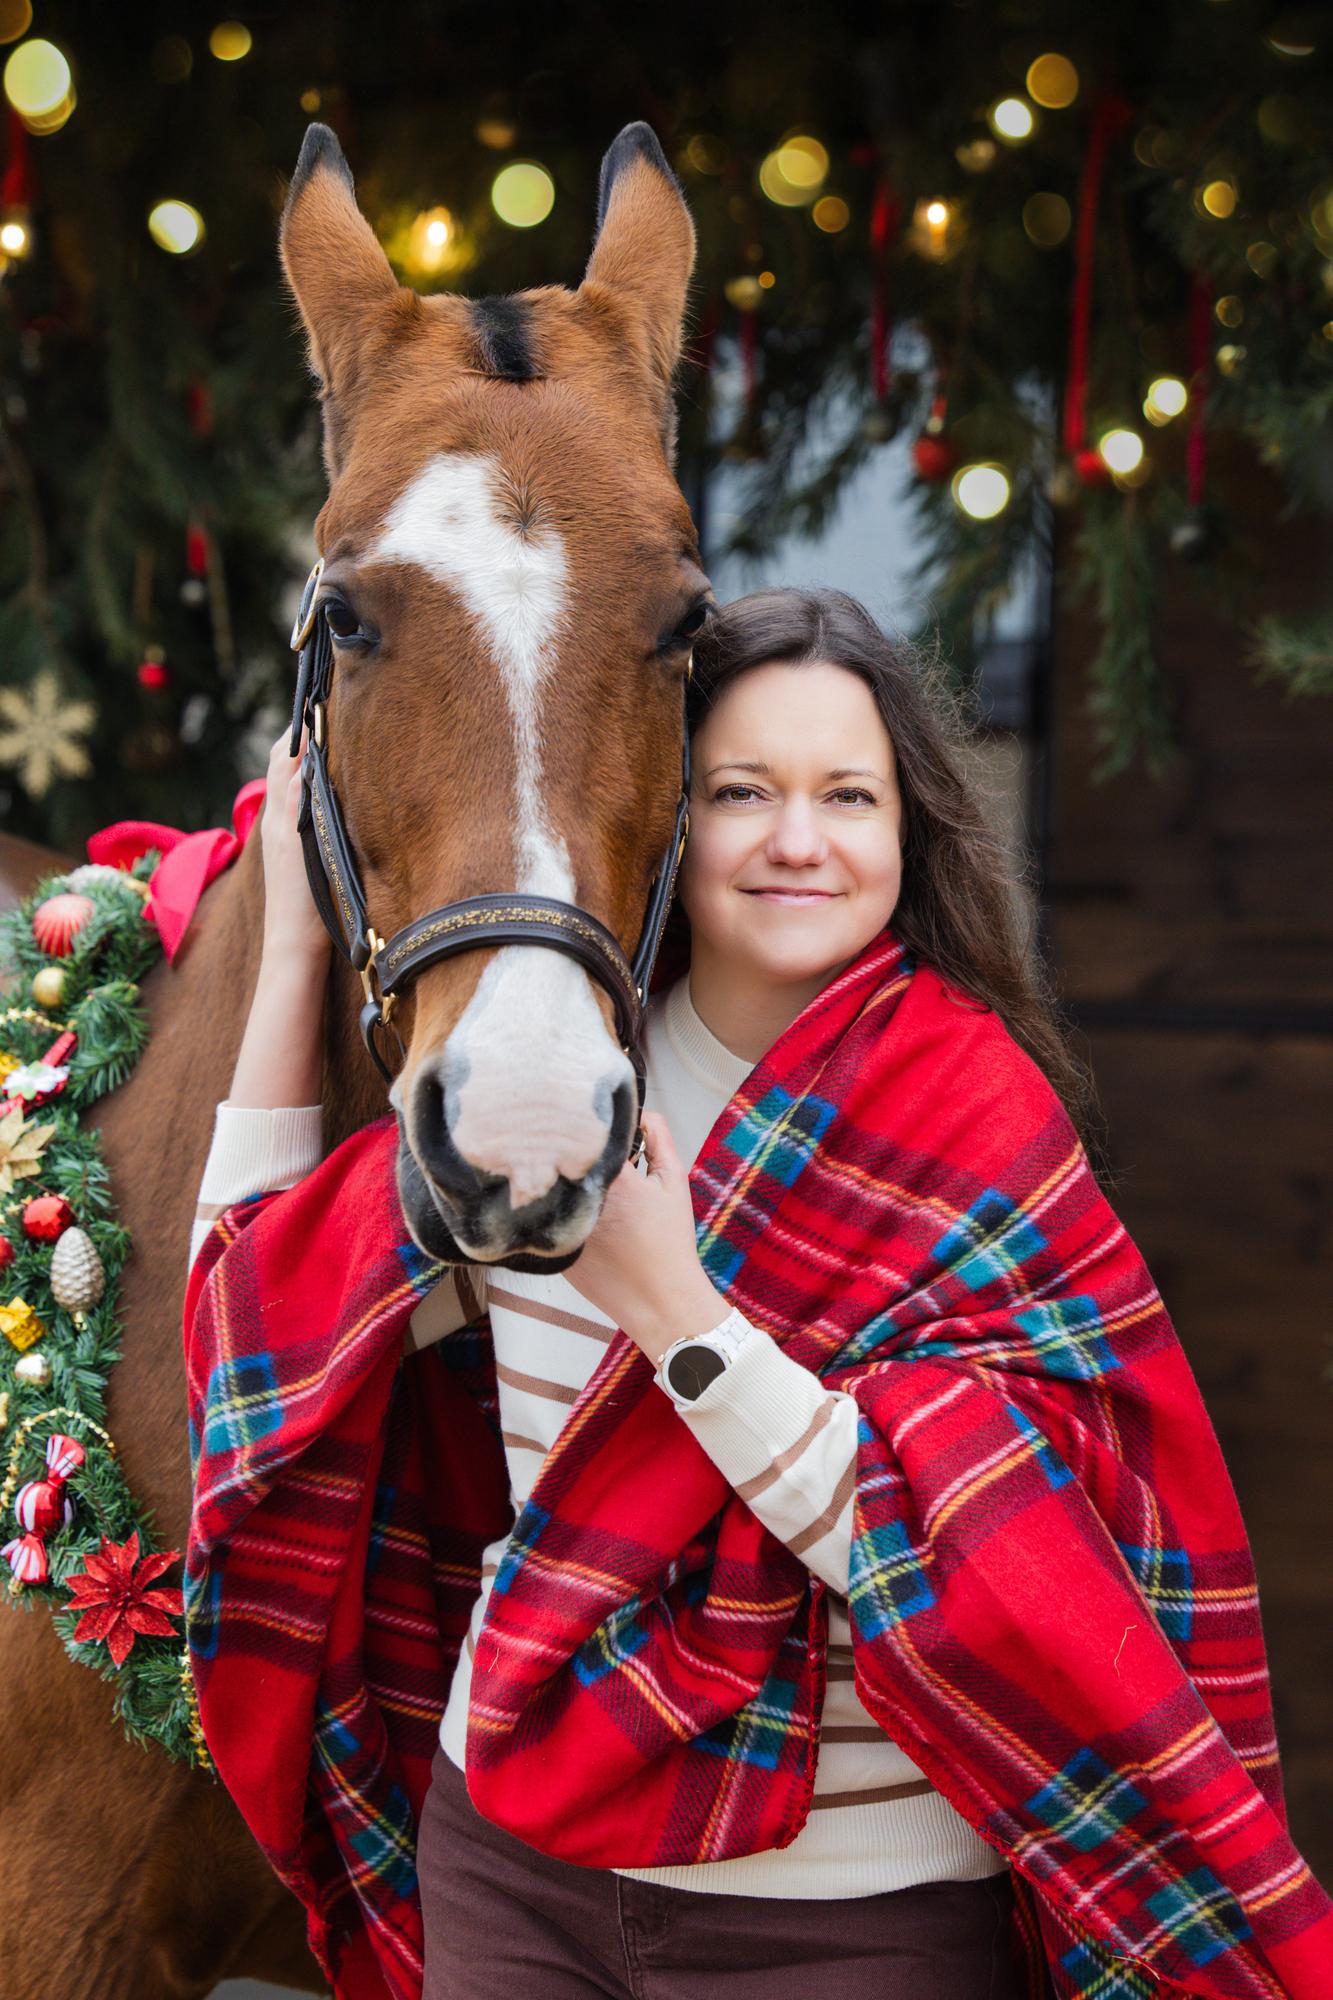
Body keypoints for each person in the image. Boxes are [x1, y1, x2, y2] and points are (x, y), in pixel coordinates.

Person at [184, 587, 1323, 2000]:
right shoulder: (558, 1081)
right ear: (669, 816)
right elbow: (268, 1339)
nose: (798, 840)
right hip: (510, 1880)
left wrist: (679, 1314)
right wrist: (293, 950)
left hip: (848, 1923)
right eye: (741, 792)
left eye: (846, 796)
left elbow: (984, 1570)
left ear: (904, 833)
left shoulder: (972, 1122)